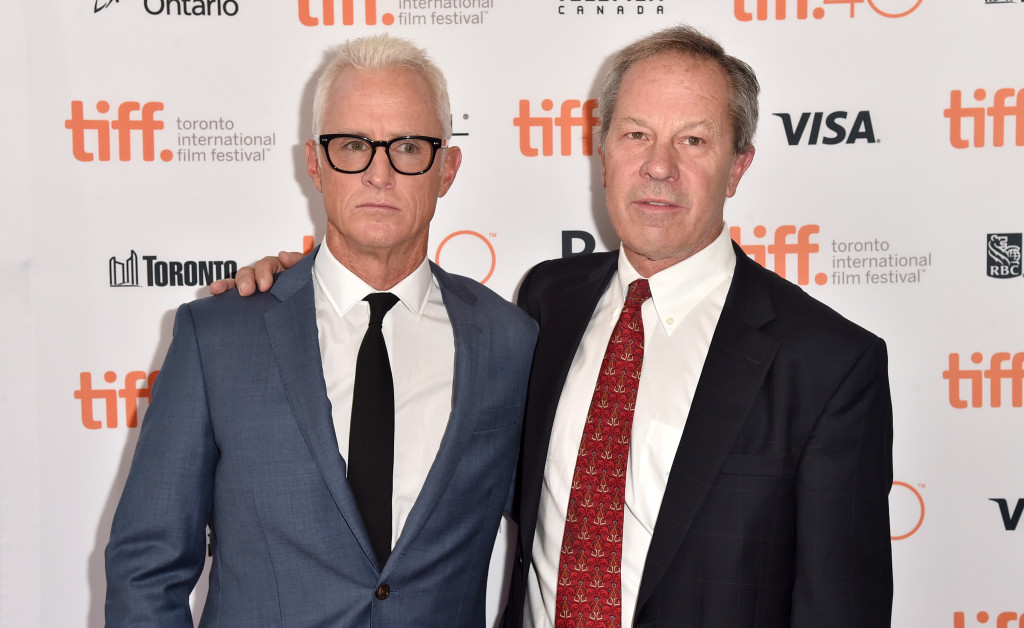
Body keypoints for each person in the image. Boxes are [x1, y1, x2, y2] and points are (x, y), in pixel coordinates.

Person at [222, 25, 894, 628]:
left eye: (693, 139)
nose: (658, 165)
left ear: (738, 165)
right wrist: (294, 284)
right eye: (635, 134)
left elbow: (841, 609)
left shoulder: (828, 365)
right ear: (603, 152)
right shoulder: (549, 301)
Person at [105, 34, 538, 627]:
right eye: (353, 146)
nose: (379, 174)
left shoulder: (510, 341)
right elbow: (146, 567)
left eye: (408, 147)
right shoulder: (220, 338)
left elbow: (560, 530)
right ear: (314, 162)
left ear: (447, 168)